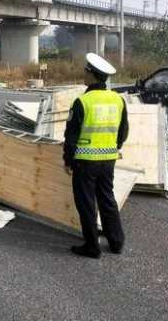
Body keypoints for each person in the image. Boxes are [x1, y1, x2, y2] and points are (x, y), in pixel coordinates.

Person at [63, 53, 129, 259]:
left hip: (85, 162)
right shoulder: (118, 100)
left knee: (86, 203)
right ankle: (116, 242)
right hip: (108, 160)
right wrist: (113, 147)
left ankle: (92, 246)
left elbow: (71, 136)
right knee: (107, 200)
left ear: (92, 75)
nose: (83, 73)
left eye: (85, 70)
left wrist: (68, 160)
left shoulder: (83, 101)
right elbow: (123, 131)